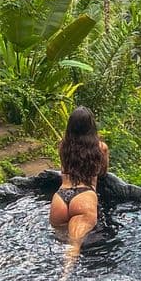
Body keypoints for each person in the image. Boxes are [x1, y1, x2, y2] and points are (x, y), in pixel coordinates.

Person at [50, 106, 109, 252]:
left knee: (58, 245)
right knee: (74, 248)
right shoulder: (101, 148)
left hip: (60, 198)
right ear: (91, 126)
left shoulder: (63, 146)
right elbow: (103, 172)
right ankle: (64, 276)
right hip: (84, 196)